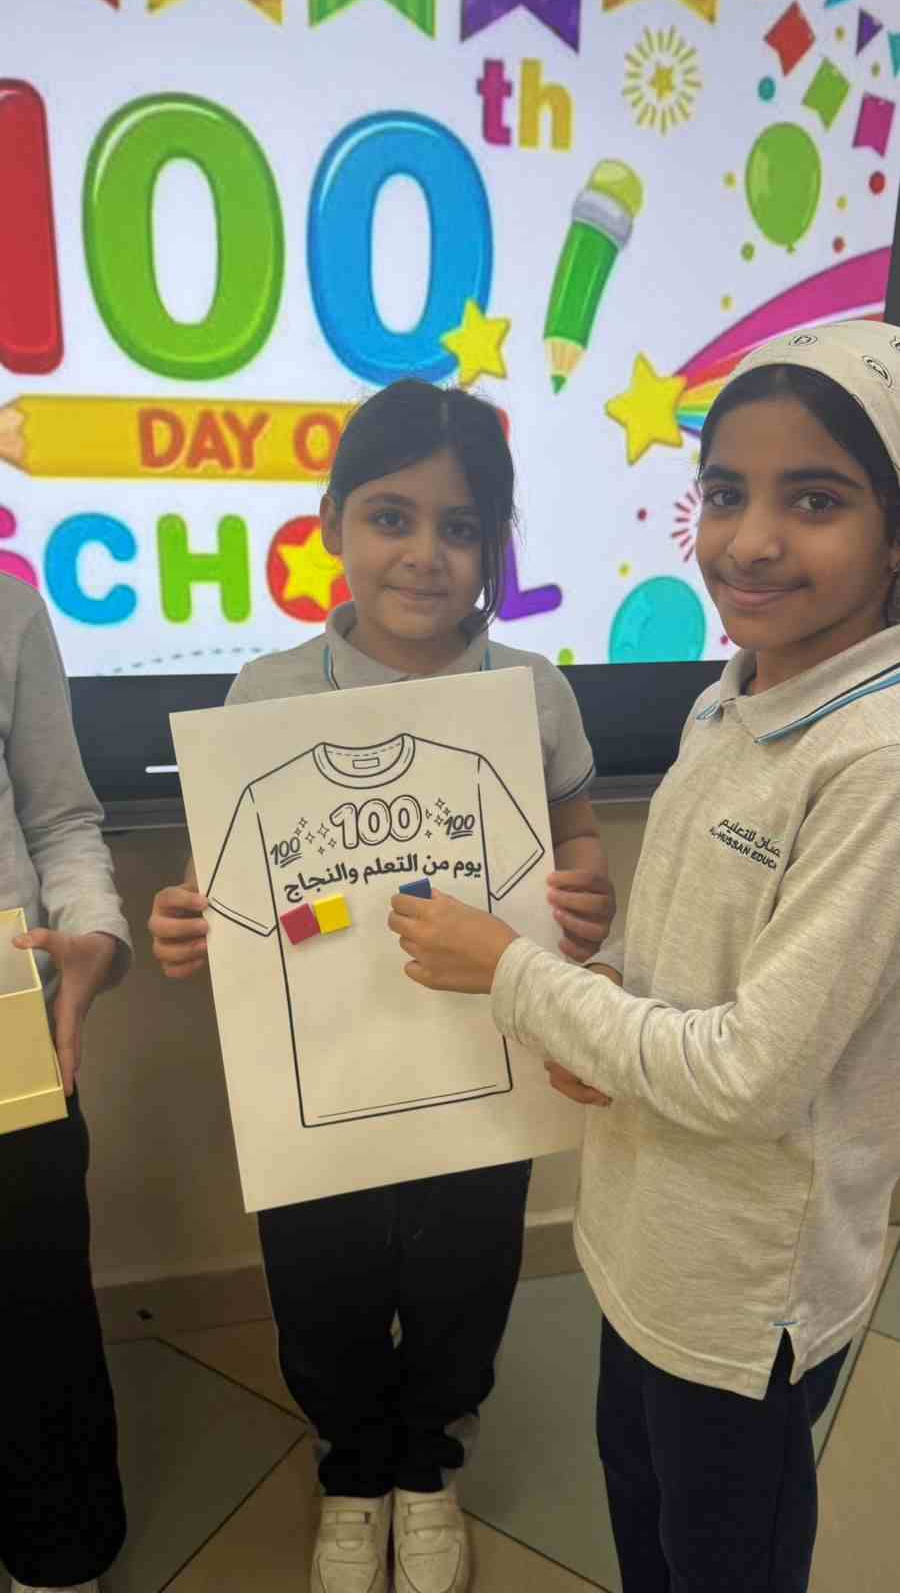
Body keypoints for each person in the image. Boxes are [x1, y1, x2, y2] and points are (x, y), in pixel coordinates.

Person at [387, 320, 900, 1592]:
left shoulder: (876, 762)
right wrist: (602, 984)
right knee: (644, 1510)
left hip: (739, 1300)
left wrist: (516, 974)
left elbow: (748, 1074)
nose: (752, 540)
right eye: (725, 493)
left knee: (721, 1550)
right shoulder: (733, 691)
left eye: (816, 499)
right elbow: (692, 944)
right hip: (643, 1245)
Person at [147, 379, 613, 1593]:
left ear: (494, 545)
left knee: (467, 1273)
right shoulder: (266, 693)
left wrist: (586, 893)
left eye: (460, 526)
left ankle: (428, 1463)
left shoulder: (534, 691)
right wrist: (187, 915)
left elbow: (573, 835)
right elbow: (221, 875)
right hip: (323, 1075)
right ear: (333, 522)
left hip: (482, 1065)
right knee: (322, 1282)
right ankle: (352, 1466)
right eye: (390, 516)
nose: (424, 553)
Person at [0, 576, 132, 1593]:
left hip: (11, 1030)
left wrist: (93, 934)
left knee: (36, 1306)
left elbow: (59, 822)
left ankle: (56, 1554)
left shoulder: (8, 609)